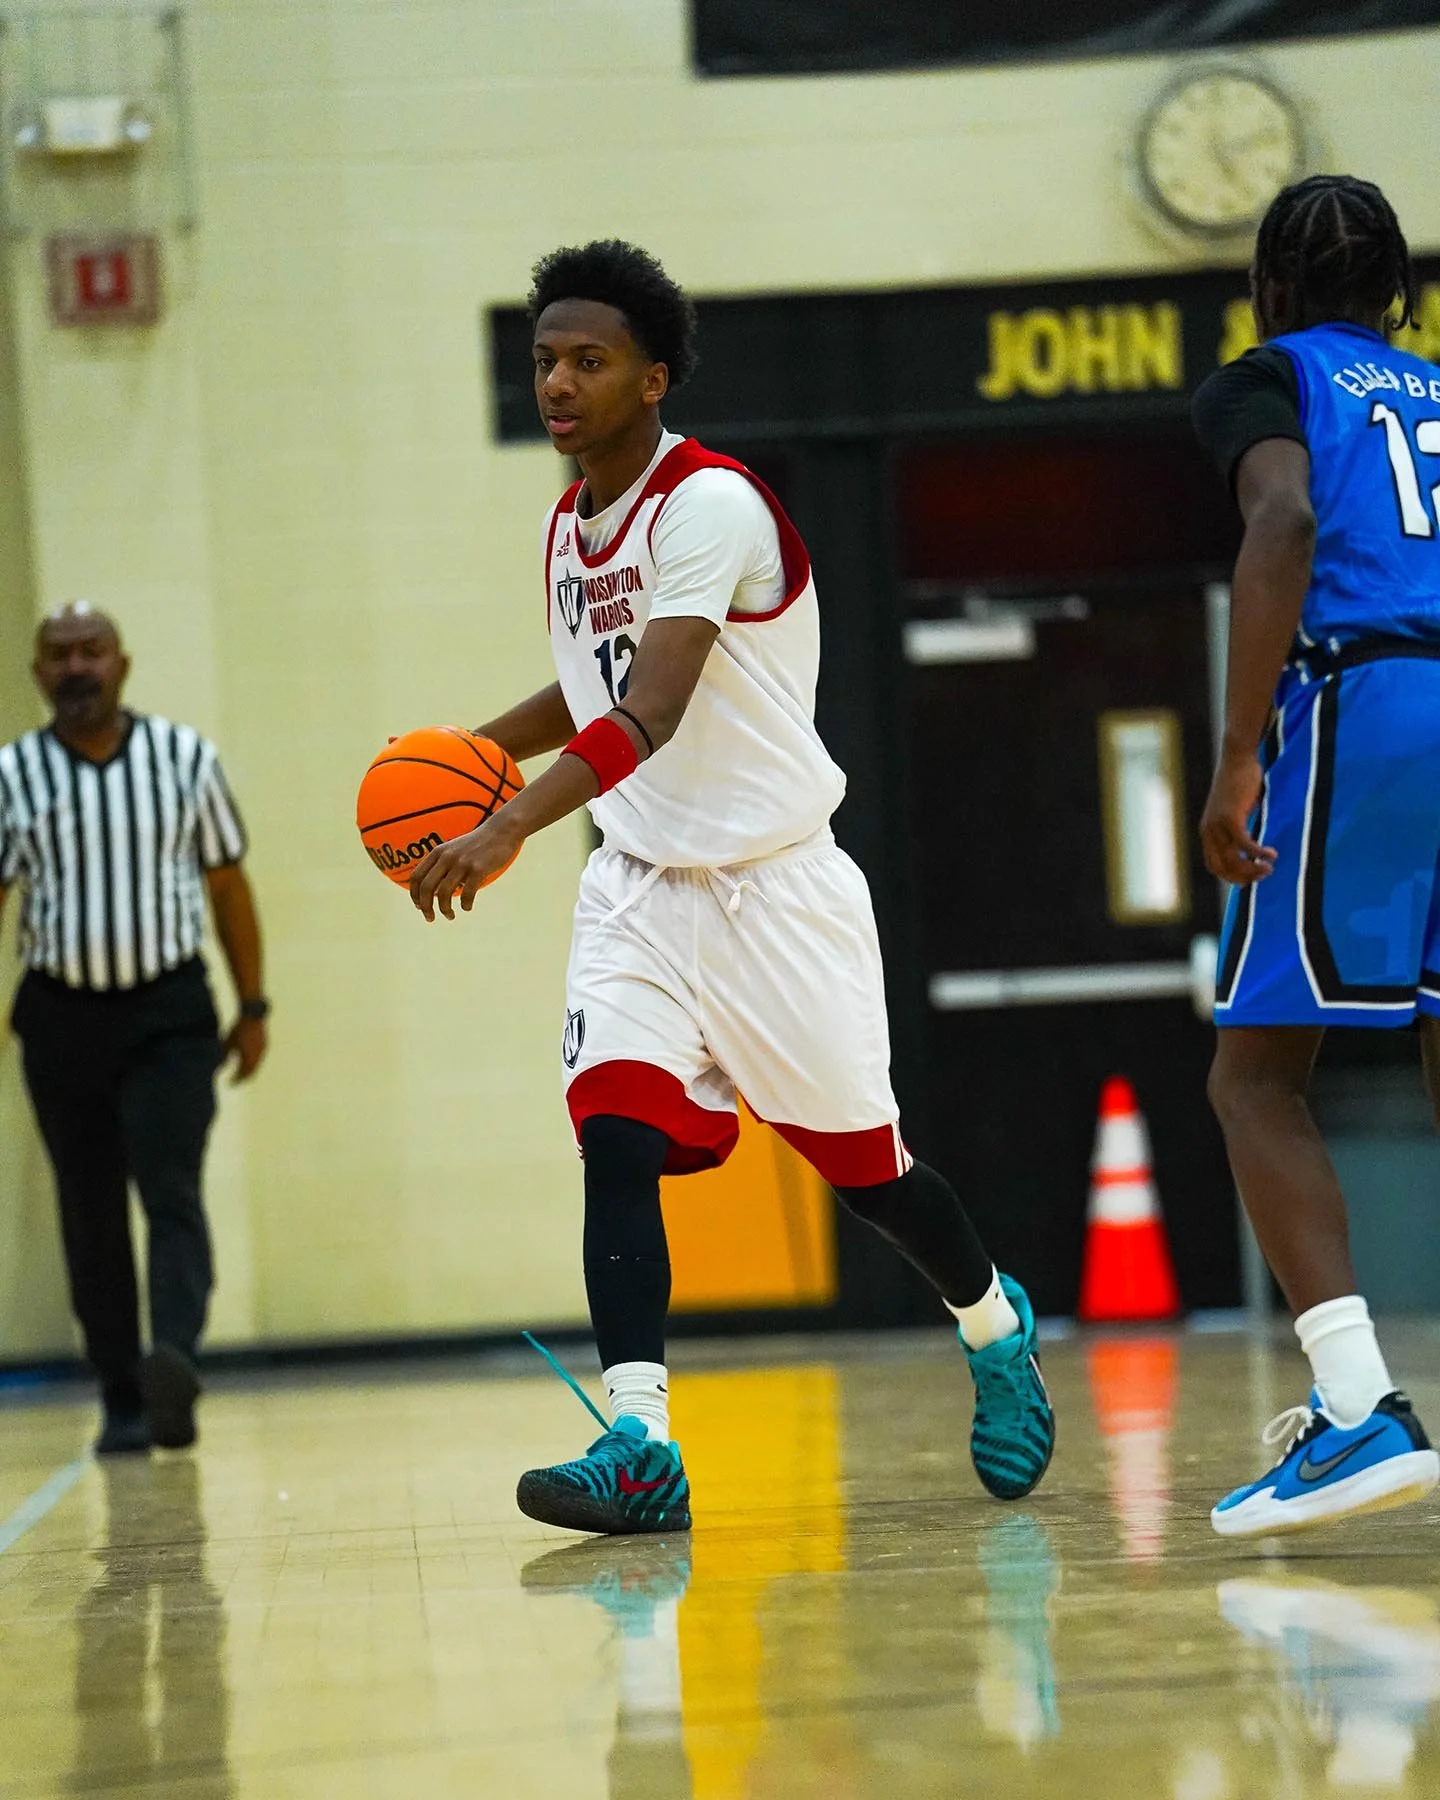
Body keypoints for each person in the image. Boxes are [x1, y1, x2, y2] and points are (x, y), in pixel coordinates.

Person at [409, 240, 1055, 1534]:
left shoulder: (711, 506)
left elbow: (651, 702)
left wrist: (508, 821)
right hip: (641, 888)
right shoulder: (565, 523)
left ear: (653, 378)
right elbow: (591, 686)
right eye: (544, 361)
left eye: (588, 361)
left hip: (778, 889)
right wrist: (479, 753)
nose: (558, 383)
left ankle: (991, 1324)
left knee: (871, 1176)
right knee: (615, 1136)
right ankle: (641, 1443)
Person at [1192, 176, 1440, 1537]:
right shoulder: (1439, 389)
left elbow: (1282, 518)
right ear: (1400, 291)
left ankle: (1356, 1408)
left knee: (1256, 1079)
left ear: (1267, 292)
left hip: (1370, 706)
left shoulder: (1269, 379)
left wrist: (1241, 752)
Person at [0, 604, 270, 1455]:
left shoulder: (184, 758)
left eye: (92, 651)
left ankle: (173, 1362)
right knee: (89, 1209)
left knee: (170, 1189)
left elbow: (228, 886)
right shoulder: (11, 776)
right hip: (59, 1015)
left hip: (169, 1014)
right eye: (59, 655)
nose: (77, 666)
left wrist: (253, 1005)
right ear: (38, 672)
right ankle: (122, 1394)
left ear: (123, 663)